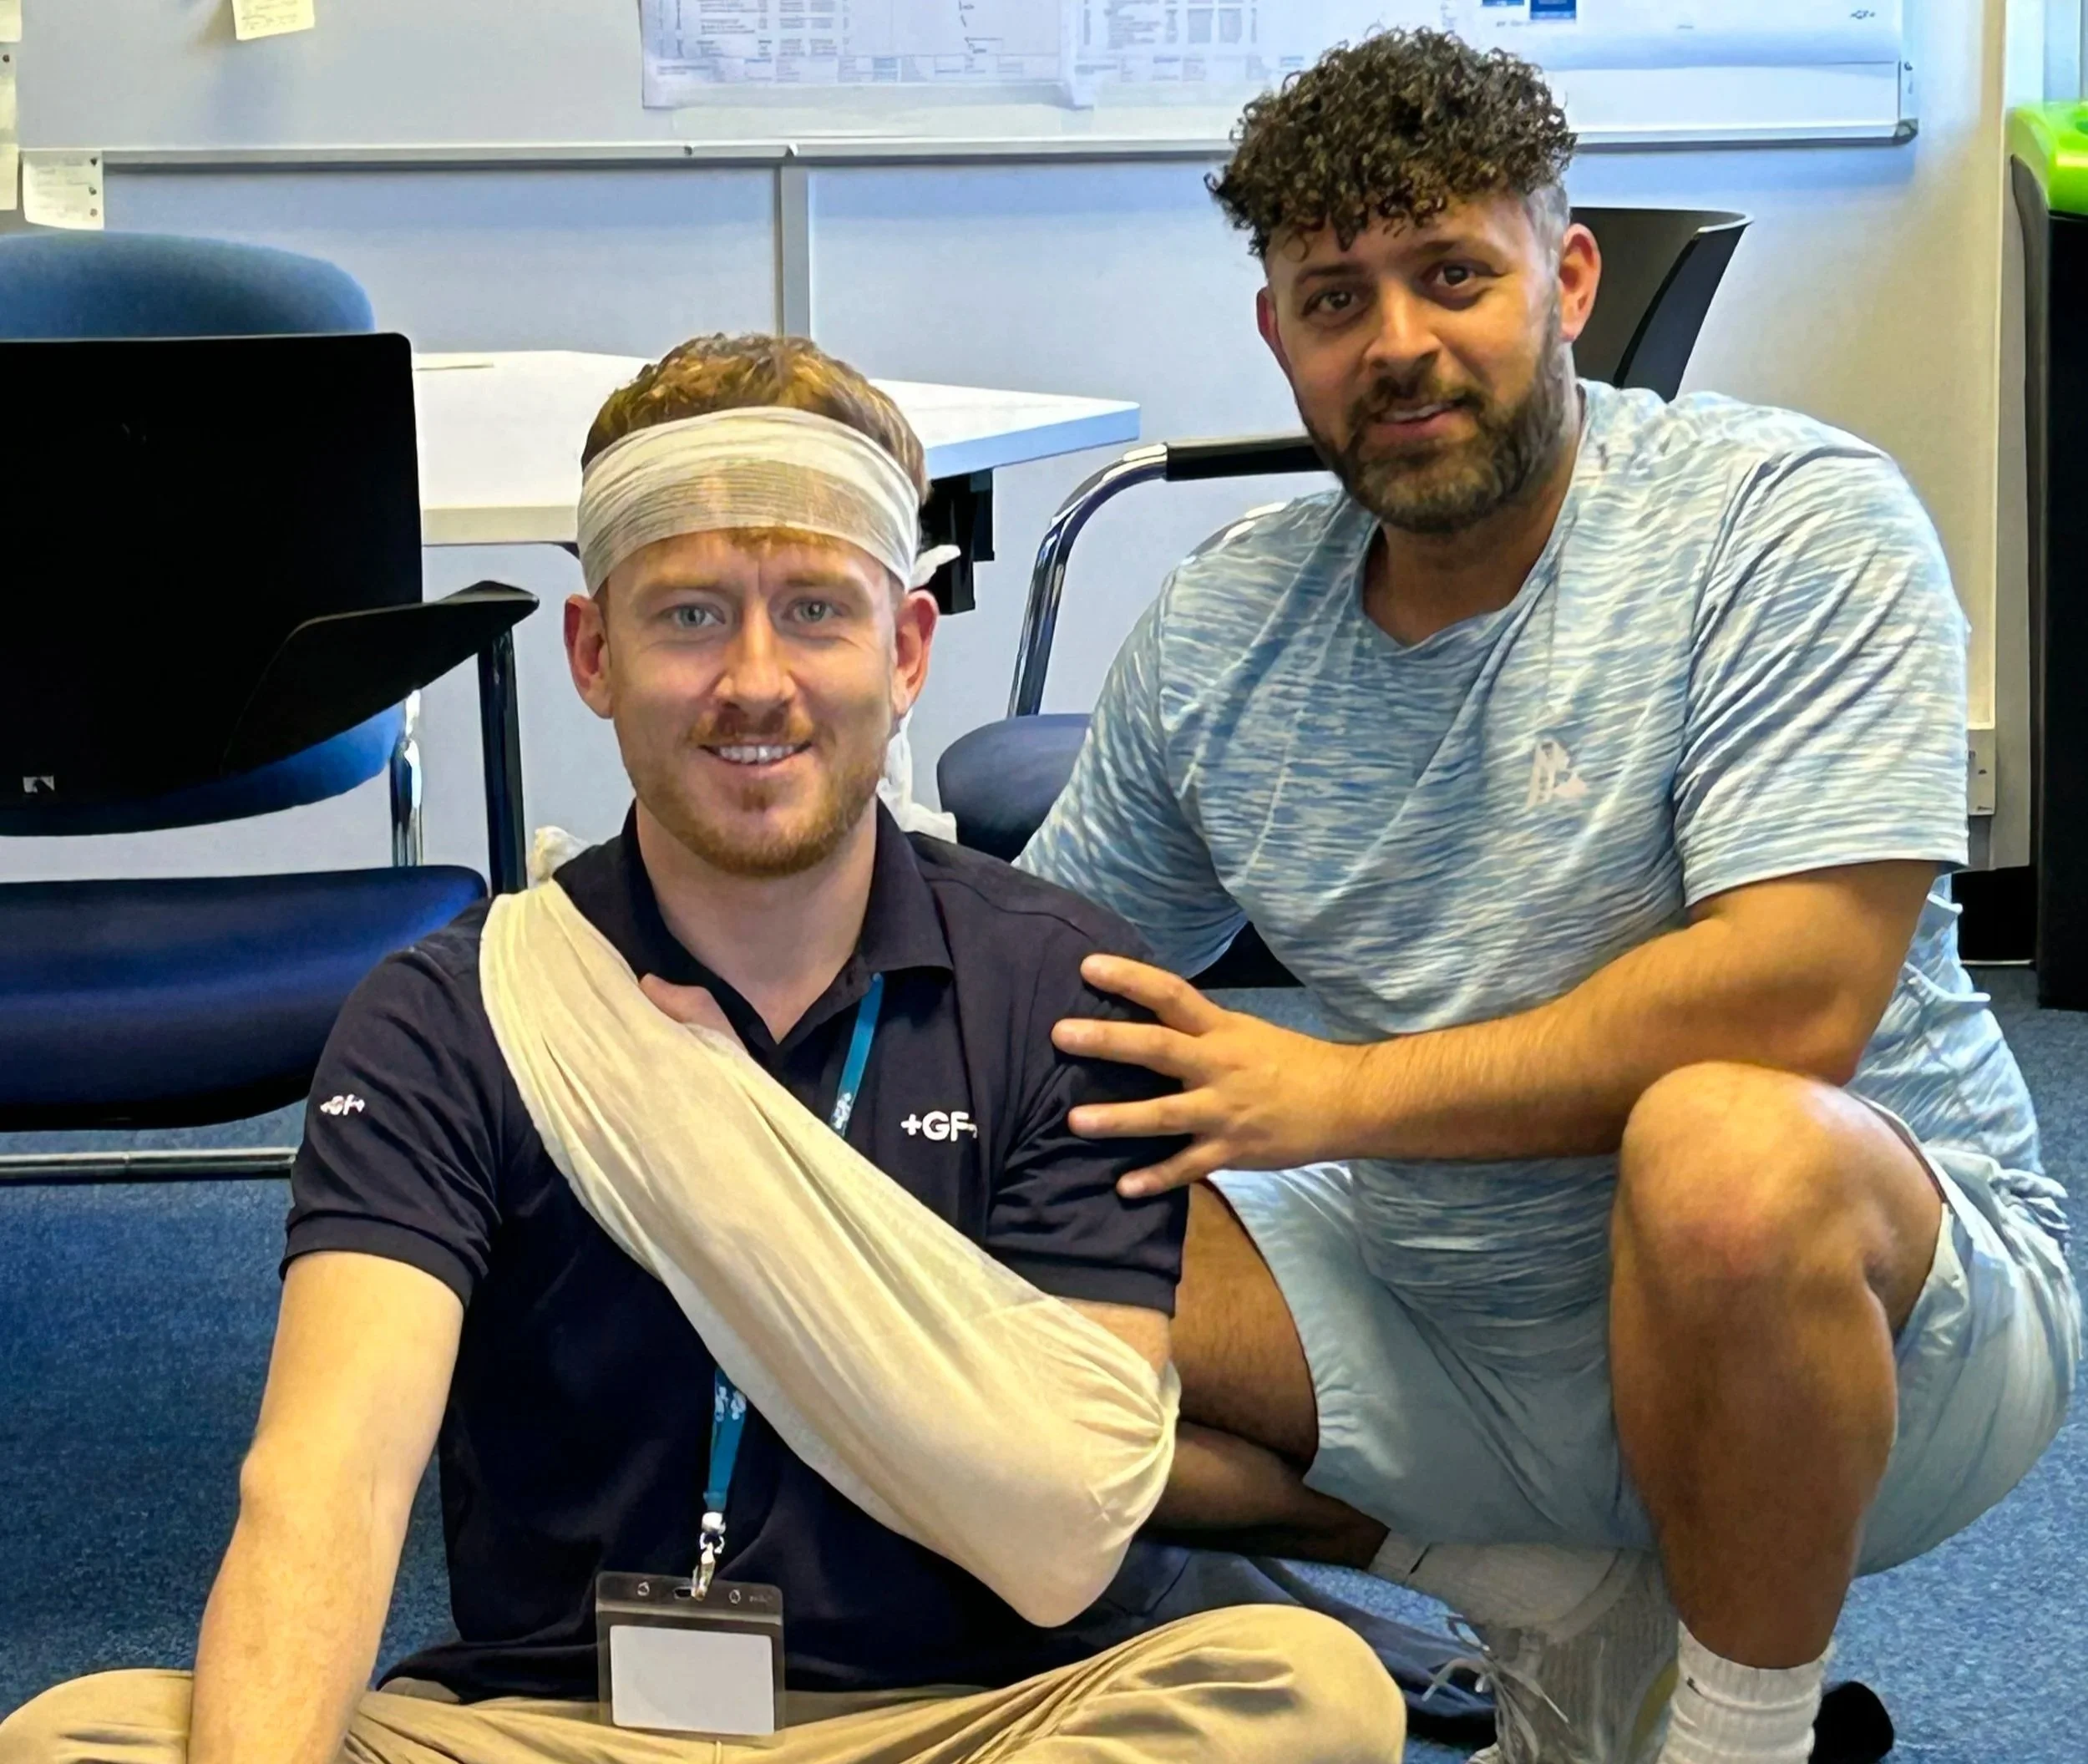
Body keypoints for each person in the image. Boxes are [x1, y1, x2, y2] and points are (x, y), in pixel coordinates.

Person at [0, 335, 1403, 1764]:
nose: (754, 682)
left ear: (907, 651)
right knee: (75, 1738)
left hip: (947, 1730)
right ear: (593, 655)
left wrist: (715, 1148)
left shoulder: (1066, 990)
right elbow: (327, 1489)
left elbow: (1058, 1524)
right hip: (551, 1728)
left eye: (813, 612)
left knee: (1302, 1692)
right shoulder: (451, 1015)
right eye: (686, 617)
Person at [1020, 28, 2081, 1764]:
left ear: (1565, 277)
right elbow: (1038, 988)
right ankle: (1519, 1587)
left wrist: (1336, 1094)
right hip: (1428, 1302)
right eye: (1334, 299)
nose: (1399, 346)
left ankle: (1734, 1737)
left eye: (1451, 274)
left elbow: (1788, 1002)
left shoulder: (1785, 526)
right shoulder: (1223, 627)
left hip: (1865, 1329)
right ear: (1279, 334)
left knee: (1721, 1152)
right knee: (937, 1239)